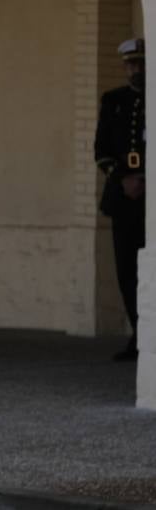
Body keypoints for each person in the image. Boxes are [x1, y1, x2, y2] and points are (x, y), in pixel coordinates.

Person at [95, 36, 146, 362]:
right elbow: (102, 150)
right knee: (126, 270)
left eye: (141, 63)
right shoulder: (113, 100)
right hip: (123, 196)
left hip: (150, 197)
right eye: (131, 64)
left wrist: (145, 180)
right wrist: (124, 179)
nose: (136, 69)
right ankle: (139, 336)